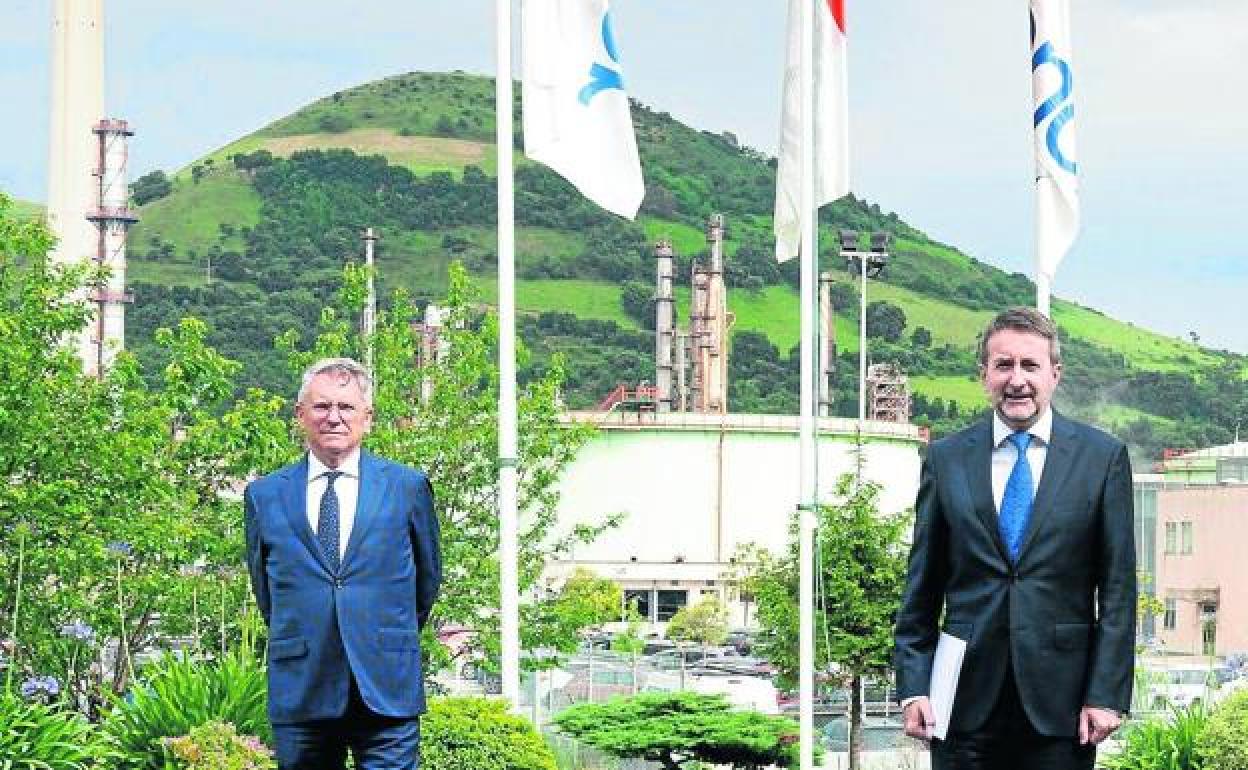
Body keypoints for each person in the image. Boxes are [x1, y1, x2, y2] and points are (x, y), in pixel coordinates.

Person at [893, 307, 1136, 770]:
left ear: (1055, 374)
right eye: (1004, 365)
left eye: (1030, 366)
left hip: (1062, 708)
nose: (1017, 379)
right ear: (984, 374)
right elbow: (921, 586)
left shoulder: (1101, 459)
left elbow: (1119, 590)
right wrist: (914, 685)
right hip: (961, 703)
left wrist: (1106, 694)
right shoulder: (946, 460)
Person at [244, 358, 441, 770]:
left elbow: (426, 583)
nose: (333, 417)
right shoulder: (264, 496)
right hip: (303, 687)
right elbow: (266, 593)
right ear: (300, 415)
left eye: (346, 407)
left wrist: (375, 631)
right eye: (321, 406)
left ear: (367, 418)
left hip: (386, 685)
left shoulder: (407, 488)